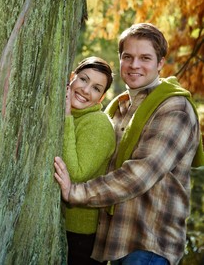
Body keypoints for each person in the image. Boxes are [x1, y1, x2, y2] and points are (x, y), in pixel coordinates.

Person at [54, 23, 204, 265]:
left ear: (160, 63)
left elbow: (140, 174)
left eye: (145, 58)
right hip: (113, 242)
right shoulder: (120, 107)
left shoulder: (174, 108)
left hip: (149, 246)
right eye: (128, 57)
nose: (135, 65)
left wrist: (75, 192)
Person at [62, 57, 116, 265]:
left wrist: (66, 117)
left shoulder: (98, 124)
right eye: (83, 79)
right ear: (71, 78)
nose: (85, 90)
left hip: (81, 238)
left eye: (96, 88)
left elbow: (76, 173)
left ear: (101, 98)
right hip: (63, 226)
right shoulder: (70, 115)